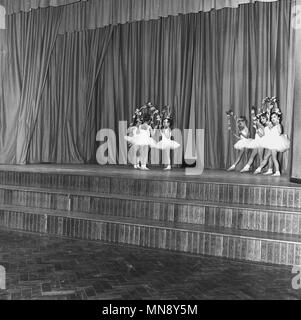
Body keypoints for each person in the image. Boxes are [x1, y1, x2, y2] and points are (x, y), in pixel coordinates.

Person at [253, 111, 290, 177]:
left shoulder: (278, 125)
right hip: (272, 144)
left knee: (274, 158)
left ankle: (277, 171)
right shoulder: (272, 125)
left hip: (275, 144)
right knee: (266, 157)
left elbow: (279, 132)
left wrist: (277, 124)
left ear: (278, 118)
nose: (273, 118)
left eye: (274, 117)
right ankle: (259, 169)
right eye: (272, 117)